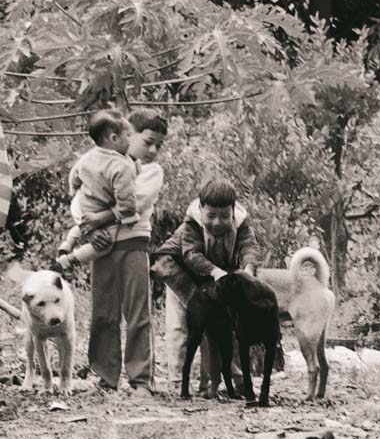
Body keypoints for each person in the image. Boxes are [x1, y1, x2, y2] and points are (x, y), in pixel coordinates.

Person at [79, 109, 168, 396]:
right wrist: (87, 226)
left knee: (137, 312)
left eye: (158, 145)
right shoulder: (98, 162)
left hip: (134, 243)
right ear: (128, 134)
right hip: (101, 245)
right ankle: (106, 377)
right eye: (148, 142)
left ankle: (141, 379)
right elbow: (81, 197)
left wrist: (99, 218)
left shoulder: (151, 171)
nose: (152, 150)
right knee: (104, 312)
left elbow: (136, 203)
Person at [154, 177, 260, 393]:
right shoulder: (191, 224)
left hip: (213, 278)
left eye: (224, 216)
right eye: (211, 216)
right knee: (180, 328)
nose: (218, 222)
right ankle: (177, 382)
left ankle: (224, 382)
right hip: (179, 272)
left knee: (223, 326)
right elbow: (191, 255)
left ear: (233, 211)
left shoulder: (241, 223)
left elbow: (249, 247)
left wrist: (248, 270)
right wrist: (215, 271)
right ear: (201, 209)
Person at [53, 110, 138, 273]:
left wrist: (74, 189)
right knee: (105, 244)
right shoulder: (121, 166)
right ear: (114, 138)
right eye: (128, 135)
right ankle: (68, 261)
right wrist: (128, 215)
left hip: (82, 205)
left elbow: (74, 175)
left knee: (81, 226)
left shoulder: (88, 156)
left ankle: (67, 244)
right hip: (99, 210)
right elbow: (126, 202)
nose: (131, 140)